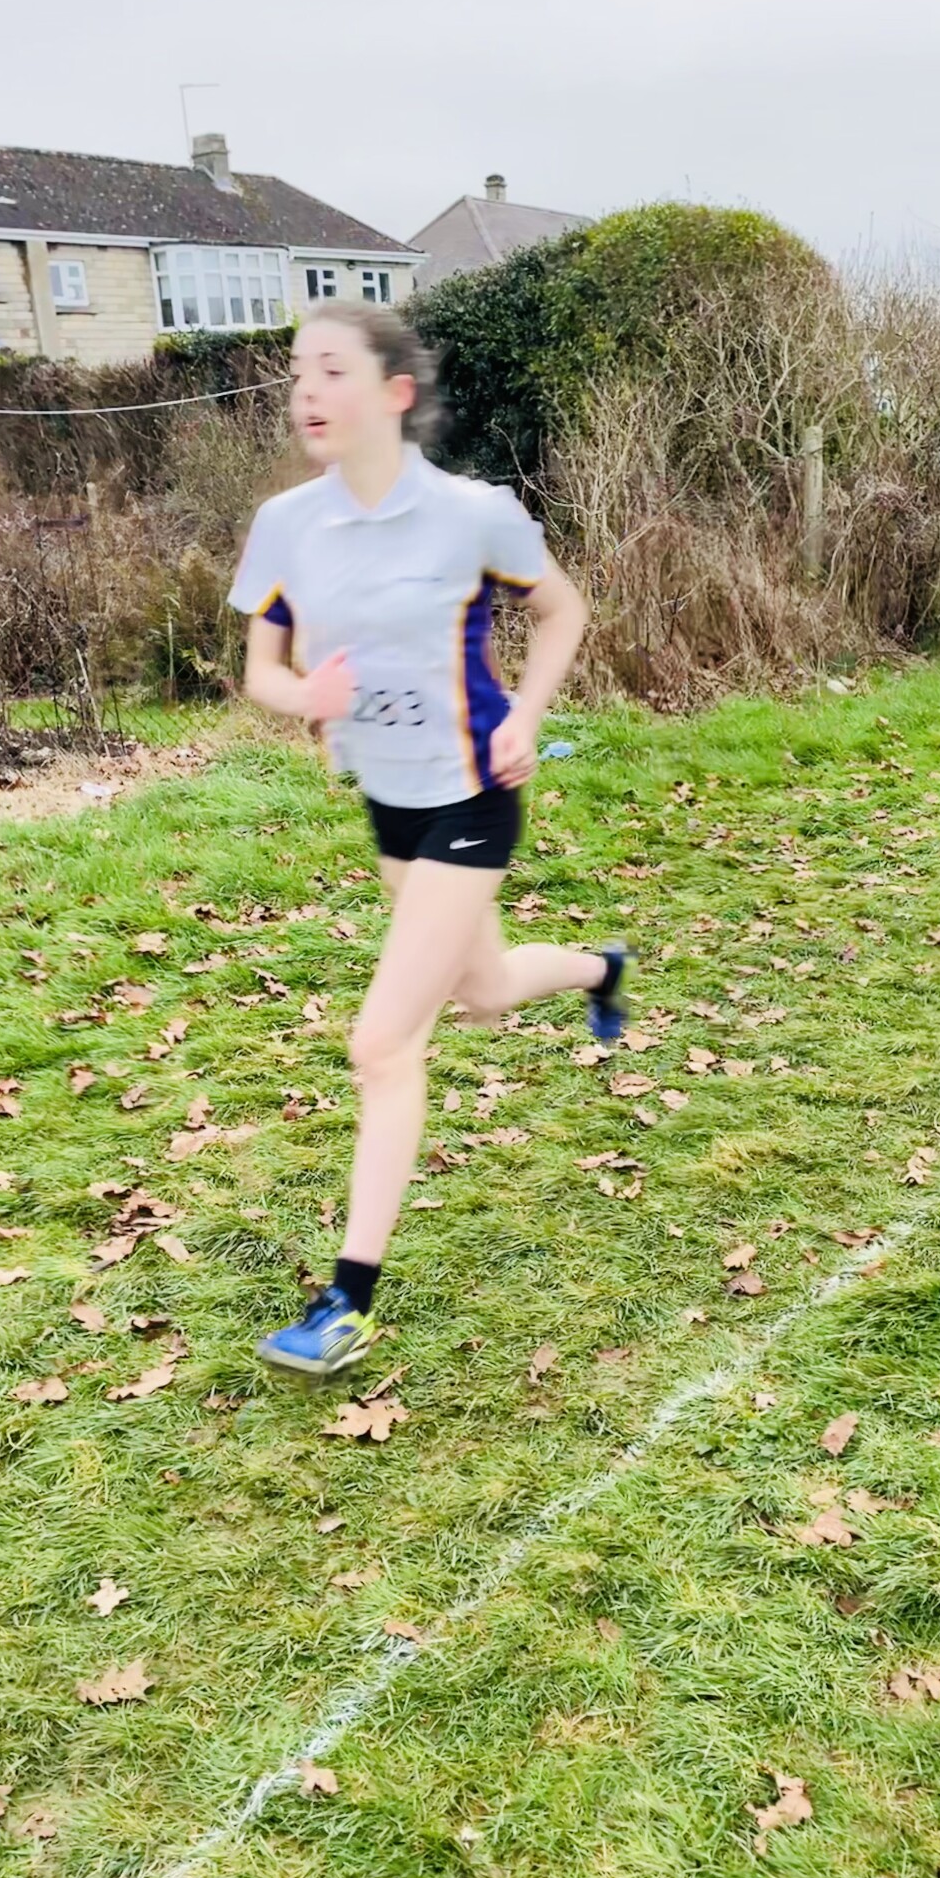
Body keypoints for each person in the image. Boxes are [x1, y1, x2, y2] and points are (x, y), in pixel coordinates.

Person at [230, 304, 632, 1379]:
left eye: (331, 369)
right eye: (298, 371)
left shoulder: (472, 514)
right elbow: (261, 669)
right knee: (485, 992)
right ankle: (602, 968)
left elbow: (563, 611)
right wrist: (303, 696)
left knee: (382, 1043)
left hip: (472, 794)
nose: (306, 390)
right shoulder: (286, 524)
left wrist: (528, 716)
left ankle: (347, 1301)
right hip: (392, 804)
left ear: (395, 393)